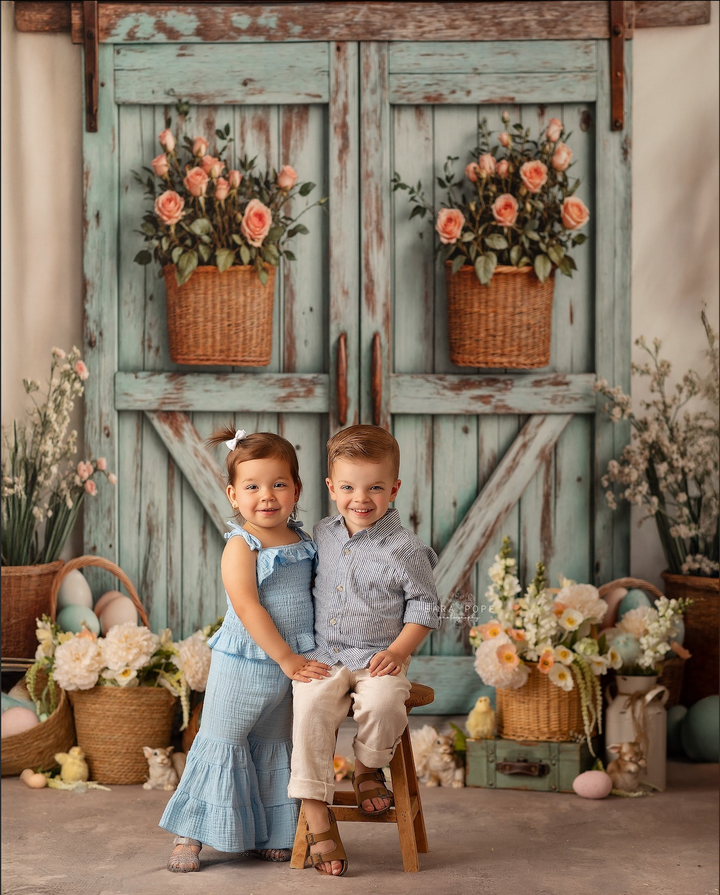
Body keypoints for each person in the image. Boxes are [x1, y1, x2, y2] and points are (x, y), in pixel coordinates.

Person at [160, 427, 331, 873]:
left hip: (291, 664)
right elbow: (248, 607)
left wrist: (301, 657)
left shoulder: (307, 543)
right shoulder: (242, 545)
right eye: (252, 486)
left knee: (274, 743)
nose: (267, 496)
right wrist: (287, 658)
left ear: (297, 489)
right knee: (224, 740)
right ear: (234, 496)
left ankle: (270, 834)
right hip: (247, 662)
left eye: (279, 484)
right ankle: (190, 833)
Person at [288, 424, 441, 876]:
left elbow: (427, 605)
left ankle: (368, 766)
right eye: (350, 486)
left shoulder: (405, 548)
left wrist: (399, 650)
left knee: (384, 701)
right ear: (331, 487)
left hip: (379, 656)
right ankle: (316, 810)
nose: (362, 498)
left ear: (393, 488)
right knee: (311, 706)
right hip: (326, 654)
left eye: (375, 487)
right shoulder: (322, 533)